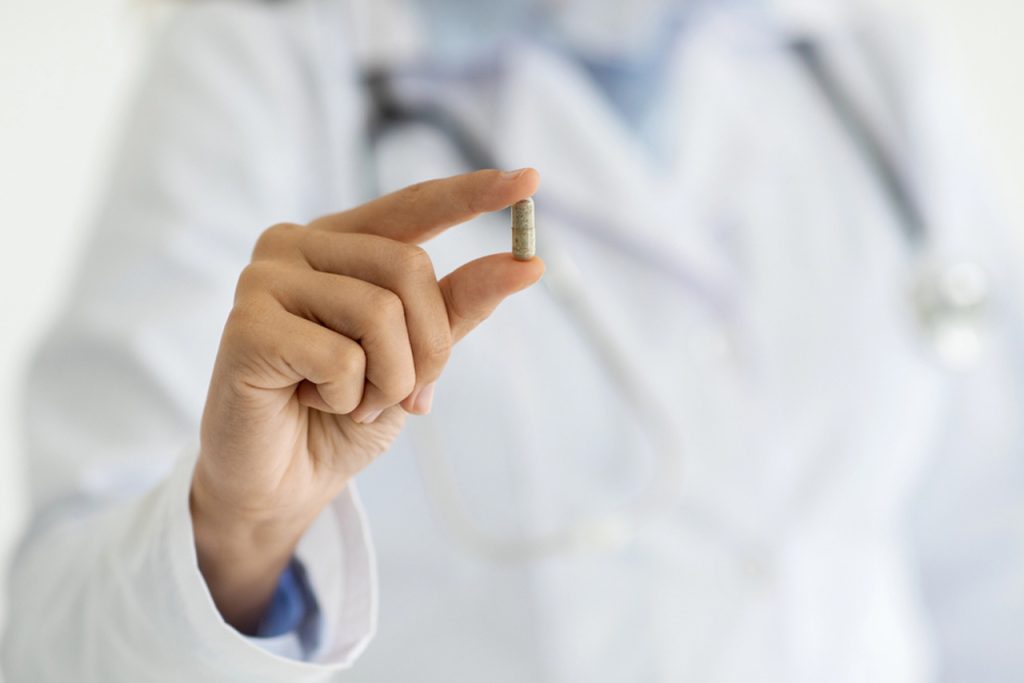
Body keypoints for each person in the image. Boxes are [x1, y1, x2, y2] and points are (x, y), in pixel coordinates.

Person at [4, 0, 1024, 680]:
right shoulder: (271, 53)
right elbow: (51, 641)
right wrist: (234, 535)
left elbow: (989, 567)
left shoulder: (849, 49)